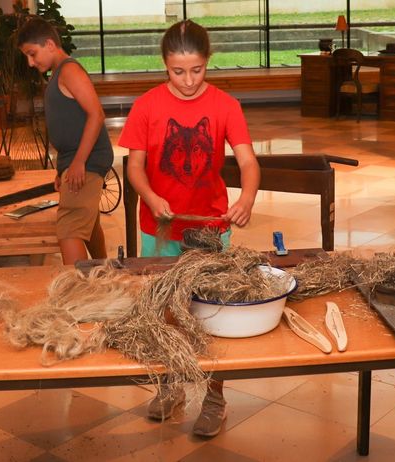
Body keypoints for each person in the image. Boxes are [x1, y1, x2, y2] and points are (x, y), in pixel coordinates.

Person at [118, 19, 260, 438]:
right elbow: (135, 167)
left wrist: (246, 198)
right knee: (163, 311)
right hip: (158, 229)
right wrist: (150, 197)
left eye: (196, 70)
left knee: (210, 311)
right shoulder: (146, 105)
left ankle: (215, 397)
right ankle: (171, 385)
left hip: (210, 226)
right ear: (164, 64)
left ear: (207, 62)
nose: (187, 80)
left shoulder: (225, 106)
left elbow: (248, 161)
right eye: (177, 71)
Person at [17, 17, 112, 265]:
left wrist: (79, 162)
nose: (30, 62)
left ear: (49, 44)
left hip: (88, 158)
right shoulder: (59, 73)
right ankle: (105, 271)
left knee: (69, 228)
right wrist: (64, 167)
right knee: (87, 221)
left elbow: (96, 114)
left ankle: (79, 292)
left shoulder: (69, 70)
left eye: (32, 53)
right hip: (75, 159)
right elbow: (70, 125)